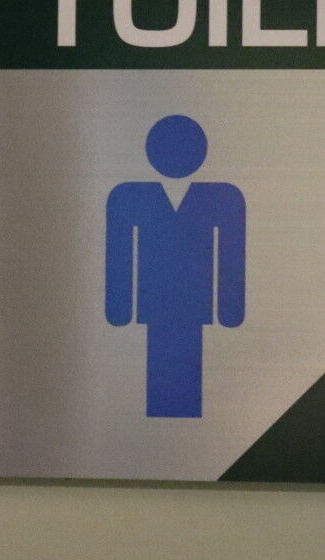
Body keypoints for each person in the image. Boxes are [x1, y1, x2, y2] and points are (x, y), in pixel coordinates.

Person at [104, 115, 246, 417]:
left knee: (186, 375)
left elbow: (231, 256)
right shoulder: (128, 195)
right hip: (154, 305)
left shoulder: (223, 196)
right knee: (161, 374)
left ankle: (177, 415)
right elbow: (120, 252)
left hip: (195, 306)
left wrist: (229, 310)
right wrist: (119, 309)